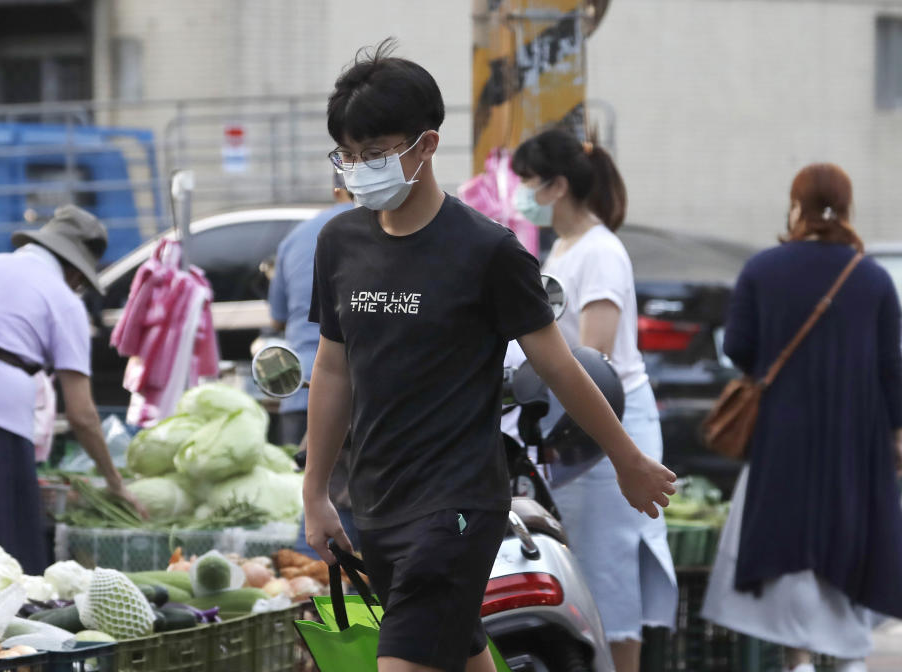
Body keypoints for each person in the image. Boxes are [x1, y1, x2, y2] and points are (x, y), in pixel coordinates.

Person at [305, 39, 676, 672]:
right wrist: (315, 490)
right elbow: (332, 368)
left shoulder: (487, 251)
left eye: (377, 154)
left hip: (456, 506)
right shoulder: (339, 242)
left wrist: (628, 458)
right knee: (465, 651)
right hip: (376, 500)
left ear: (426, 145)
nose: (360, 169)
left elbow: (561, 364)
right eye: (349, 156)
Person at [701, 163, 902, 672]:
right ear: (846, 208)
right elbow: (891, 368)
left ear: (796, 206)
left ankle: (800, 661)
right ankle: (851, 659)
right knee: (851, 537)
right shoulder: (874, 279)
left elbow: (740, 349)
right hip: (858, 437)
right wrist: (897, 433)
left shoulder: (762, 269)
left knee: (789, 540)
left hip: (783, 433)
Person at [511, 128, 678, 672]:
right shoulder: (562, 247)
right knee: (584, 564)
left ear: (557, 186)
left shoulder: (601, 252)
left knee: (609, 571)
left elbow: (594, 359)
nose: (522, 194)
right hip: (573, 425)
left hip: (604, 424)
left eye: (529, 182)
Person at [0, 205, 144, 573]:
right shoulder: (63, 299)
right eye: (81, 280)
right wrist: (115, 482)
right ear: (73, 271)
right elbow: (82, 415)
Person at [268, 172, 359, 559]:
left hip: (296, 386)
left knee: (308, 509)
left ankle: (318, 601)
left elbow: (275, 318)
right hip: (354, 396)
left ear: (335, 187)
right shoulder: (380, 234)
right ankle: (353, 601)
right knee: (350, 507)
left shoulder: (295, 238)